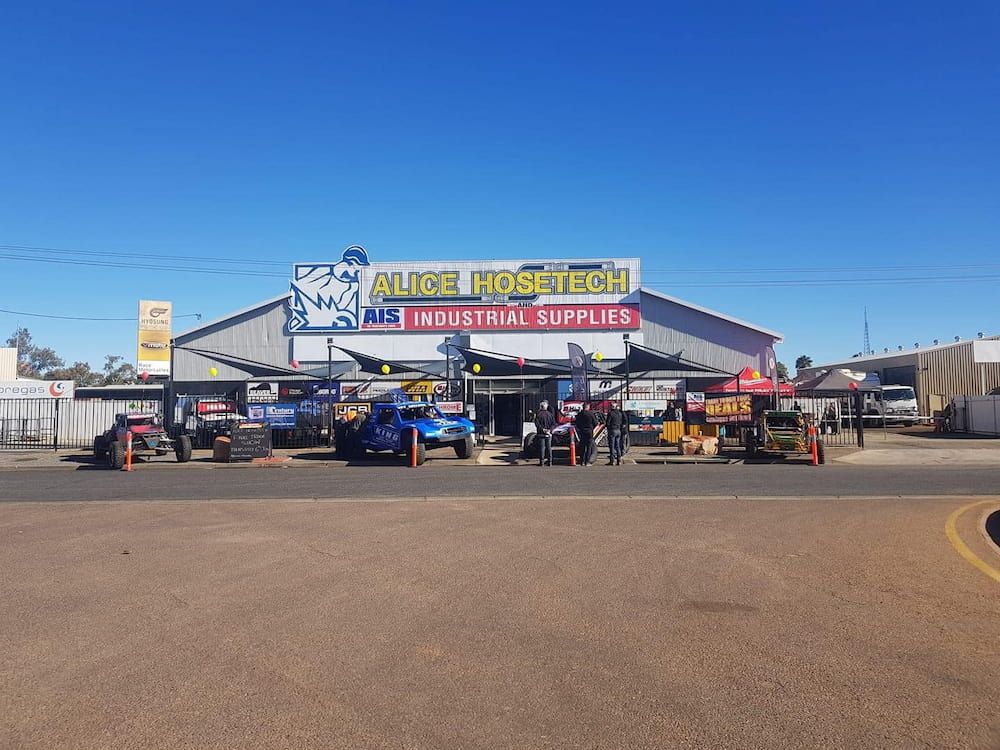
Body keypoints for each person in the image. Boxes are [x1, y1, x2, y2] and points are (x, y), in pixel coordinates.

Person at [533, 400, 556, 466]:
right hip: (549, 433)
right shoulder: (550, 414)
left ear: (541, 406)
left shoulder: (538, 414)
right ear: (546, 407)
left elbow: (537, 424)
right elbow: (553, 424)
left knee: (542, 448)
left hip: (541, 433)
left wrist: (543, 429)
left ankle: (542, 462)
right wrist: (549, 430)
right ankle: (550, 462)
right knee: (549, 448)